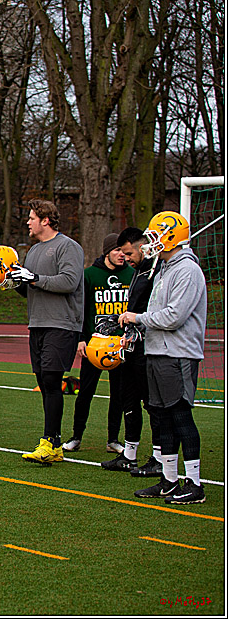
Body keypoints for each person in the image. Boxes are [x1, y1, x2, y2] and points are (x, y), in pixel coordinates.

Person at [123, 211, 208, 505]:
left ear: (171, 237)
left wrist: (137, 318)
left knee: (180, 415)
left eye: (156, 235)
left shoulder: (187, 270)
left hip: (178, 353)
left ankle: (194, 483)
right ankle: (169, 480)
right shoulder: (163, 267)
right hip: (158, 351)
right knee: (161, 417)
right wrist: (138, 331)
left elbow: (174, 316)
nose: (150, 241)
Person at [12, 199, 85, 465]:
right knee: (44, 382)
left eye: (31, 218)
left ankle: (51, 442)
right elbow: (31, 289)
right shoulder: (33, 251)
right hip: (38, 324)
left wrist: (34, 278)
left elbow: (69, 281)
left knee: (53, 380)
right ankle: (53, 442)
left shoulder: (68, 246)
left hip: (62, 323)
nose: (28, 222)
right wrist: (12, 281)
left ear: (45, 220)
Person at [63, 233, 133, 453]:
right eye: (117, 250)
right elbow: (81, 309)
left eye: (123, 251)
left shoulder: (131, 274)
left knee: (119, 394)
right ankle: (76, 436)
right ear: (107, 252)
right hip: (95, 345)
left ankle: (113, 439)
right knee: (85, 392)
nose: (122, 255)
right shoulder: (89, 275)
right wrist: (81, 339)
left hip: (120, 345)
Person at [103, 227, 162, 476]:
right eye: (123, 253)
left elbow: (154, 311)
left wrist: (135, 321)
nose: (126, 258)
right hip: (132, 346)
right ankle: (129, 454)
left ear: (142, 247)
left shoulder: (157, 271)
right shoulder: (138, 271)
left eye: (129, 253)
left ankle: (160, 456)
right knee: (128, 398)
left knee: (153, 403)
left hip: (149, 349)